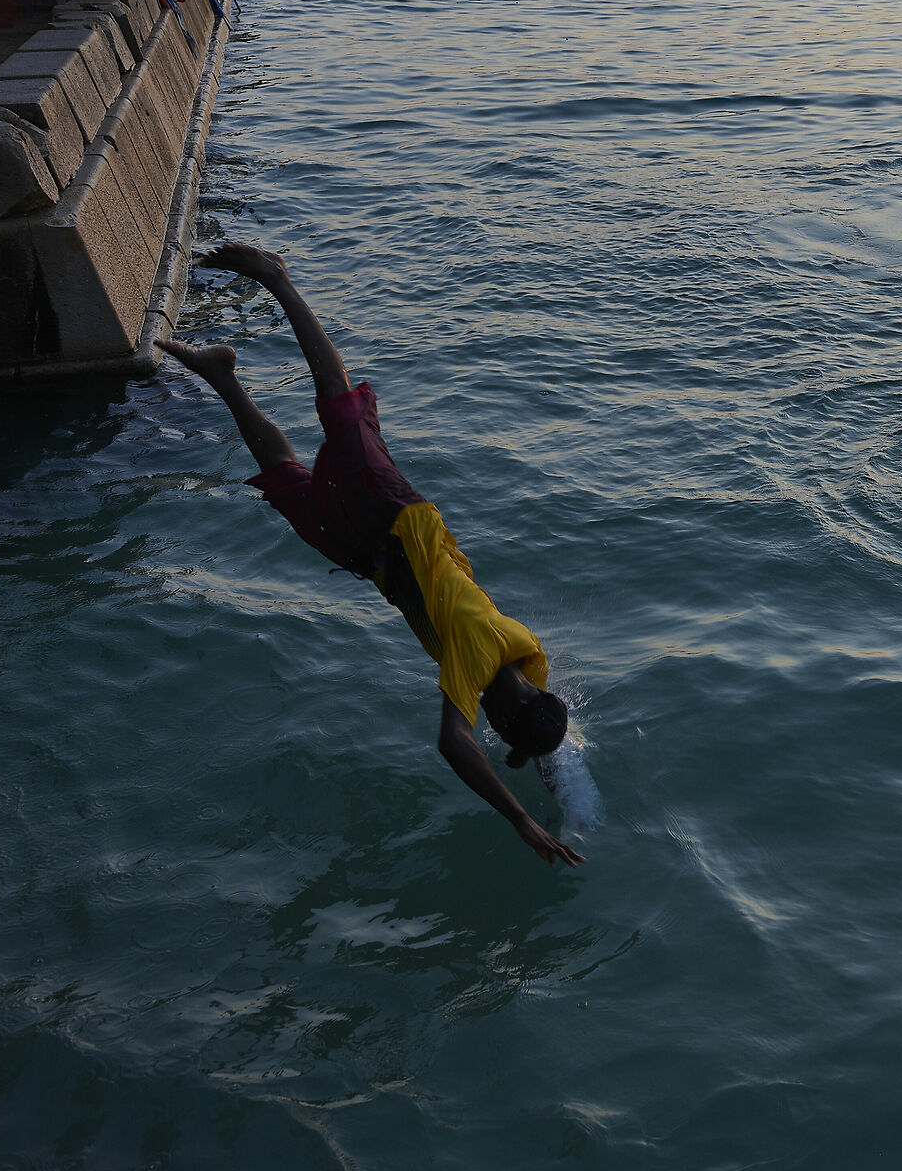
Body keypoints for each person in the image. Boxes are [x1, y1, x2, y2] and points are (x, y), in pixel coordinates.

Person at [155, 243, 585, 866]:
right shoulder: (478, 655)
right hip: (399, 520)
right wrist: (518, 819)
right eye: (495, 720)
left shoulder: (530, 670)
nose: (481, 716)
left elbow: (527, 729)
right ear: (508, 706)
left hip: (375, 560)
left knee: (283, 478)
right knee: (339, 406)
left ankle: (222, 377)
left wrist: (539, 769)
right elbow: (453, 743)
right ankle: (277, 277)